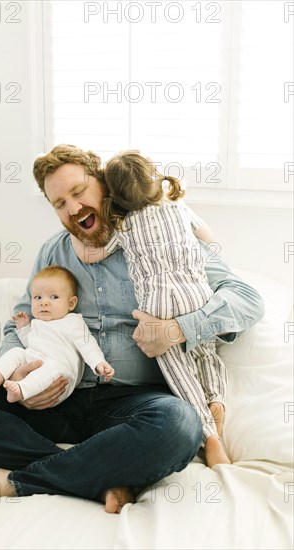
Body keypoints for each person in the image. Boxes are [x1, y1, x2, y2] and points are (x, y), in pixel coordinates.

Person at [0, 144, 264, 514]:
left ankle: (14, 482)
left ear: (102, 184)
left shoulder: (163, 239)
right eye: (60, 203)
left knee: (180, 425)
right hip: (56, 397)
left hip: (133, 403)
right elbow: (18, 321)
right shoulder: (54, 252)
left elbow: (247, 299)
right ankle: (98, 473)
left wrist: (178, 329)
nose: (73, 208)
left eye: (79, 192)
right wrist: (21, 372)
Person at [72, 150, 230, 467]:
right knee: (205, 351)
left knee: (176, 368)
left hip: (158, 302)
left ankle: (209, 437)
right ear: (154, 177)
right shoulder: (176, 205)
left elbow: (92, 255)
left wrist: (74, 235)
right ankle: (217, 401)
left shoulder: (124, 227)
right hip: (196, 291)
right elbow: (208, 237)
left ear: (112, 196)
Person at [0, 265, 114, 403]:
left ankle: (21, 390)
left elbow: (87, 345)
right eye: (37, 297)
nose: (44, 302)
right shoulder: (37, 322)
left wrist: (98, 362)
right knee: (17, 352)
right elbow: (30, 345)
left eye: (54, 297)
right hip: (35, 364)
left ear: (71, 303)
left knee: (52, 367)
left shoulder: (73, 322)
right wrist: (23, 329)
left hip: (60, 378)